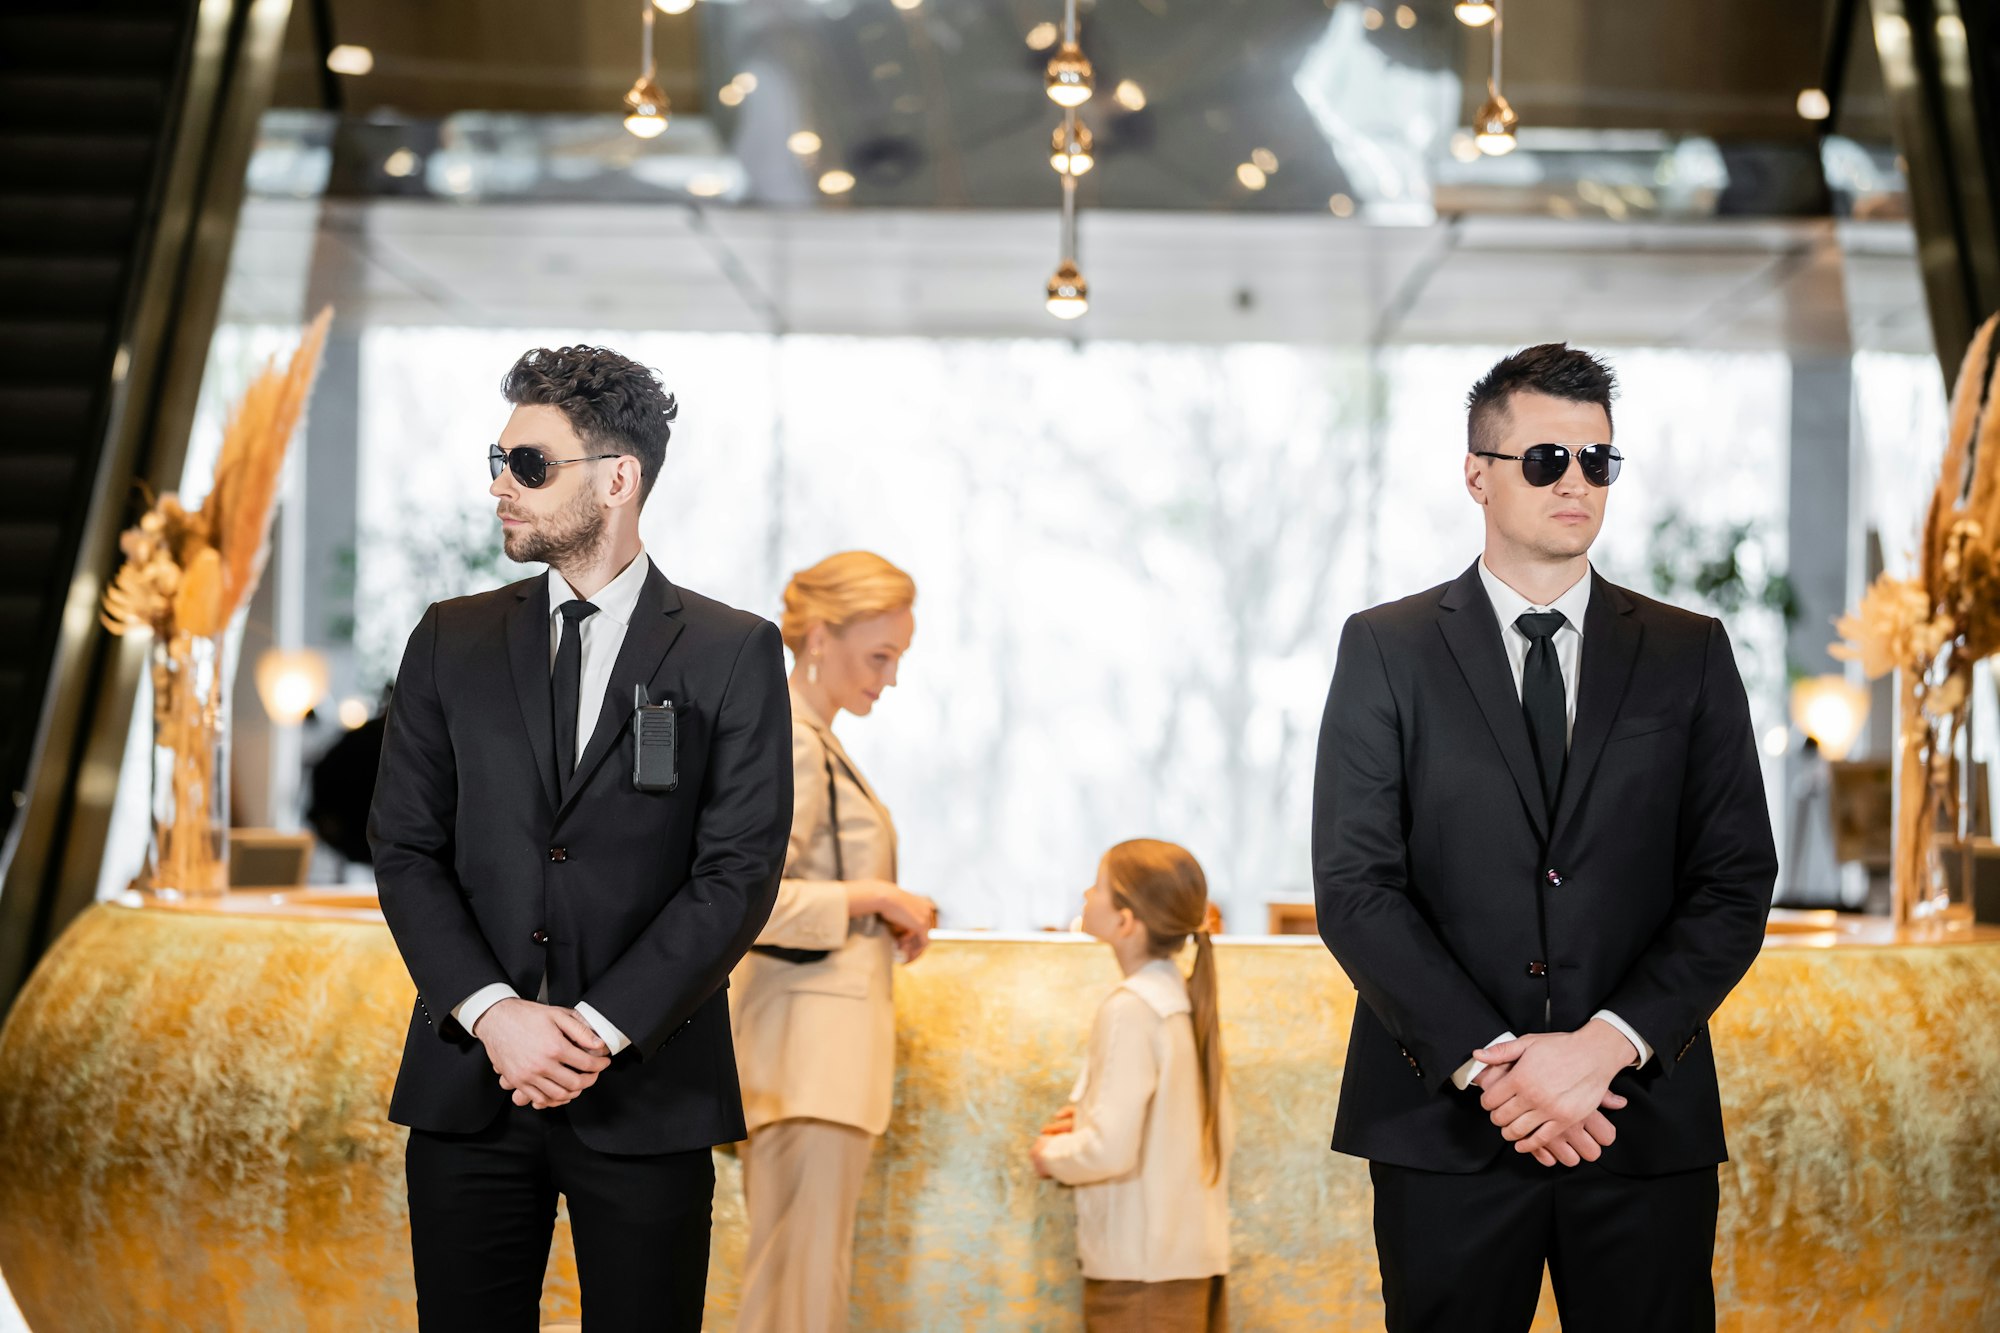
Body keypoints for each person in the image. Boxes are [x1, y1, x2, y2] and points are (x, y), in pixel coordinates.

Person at [1312, 343, 1777, 1332]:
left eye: (1596, 460)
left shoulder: (1687, 651)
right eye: (1544, 459)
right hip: (1445, 1122)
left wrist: (1603, 1047)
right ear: (1476, 473)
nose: (1575, 480)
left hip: (1636, 1118)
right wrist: (1497, 1066)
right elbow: (1355, 887)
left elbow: (1733, 881)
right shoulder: (1383, 648)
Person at [368, 344, 792, 1332]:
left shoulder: (732, 651)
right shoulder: (449, 637)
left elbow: (734, 874)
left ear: (617, 480)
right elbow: (405, 849)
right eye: (498, 458)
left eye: (528, 465)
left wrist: (595, 1030)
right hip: (470, 1085)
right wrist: (495, 1014)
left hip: (647, 1089)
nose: (499, 487)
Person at [730, 550, 938, 1333]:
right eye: (879, 656)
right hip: (805, 1061)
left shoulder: (814, 740)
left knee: (801, 1287)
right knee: (796, 1293)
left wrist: (877, 907)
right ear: (819, 637)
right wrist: (875, 895)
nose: (888, 678)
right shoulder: (790, 739)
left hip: (816, 1063)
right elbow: (743, 902)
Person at [1031, 839, 1232, 1333]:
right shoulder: (1177, 1000)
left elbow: (1110, 1150)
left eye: (1098, 886)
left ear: (1126, 921)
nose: (1085, 893)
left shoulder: (1132, 1008)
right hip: (1182, 1259)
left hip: (1139, 1273)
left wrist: (1048, 1155)